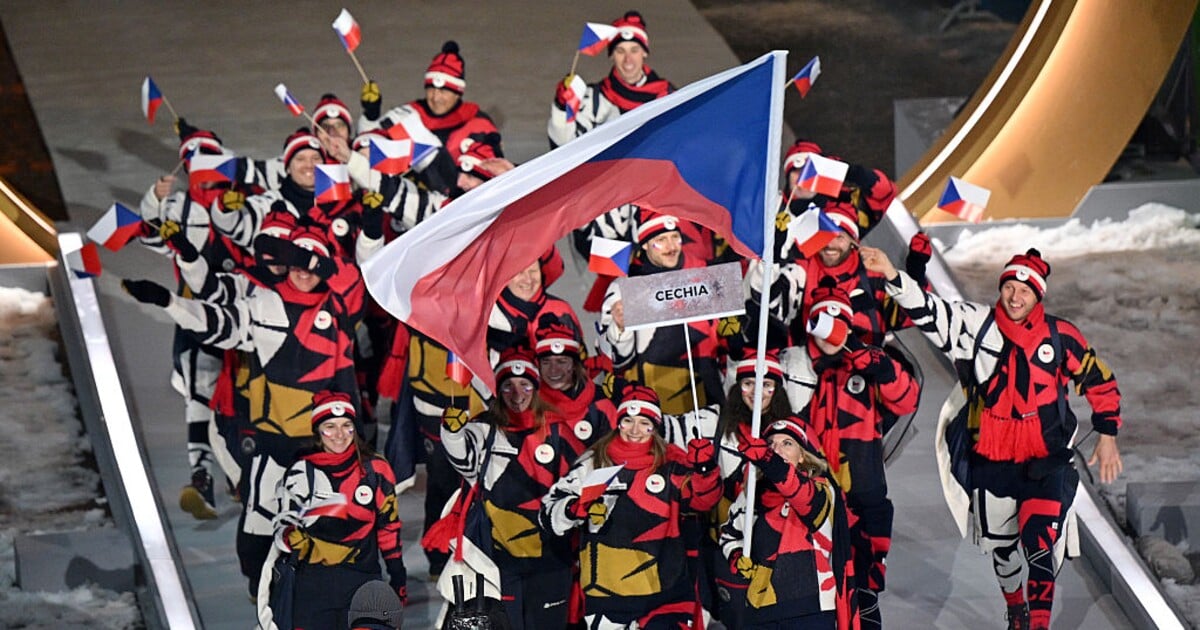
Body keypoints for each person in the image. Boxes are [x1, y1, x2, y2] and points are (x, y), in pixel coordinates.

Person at [859, 246, 1123, 630]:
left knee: (1039, 546)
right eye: (1010, 287)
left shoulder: (1060, 335)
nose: (1016, 296)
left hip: (1046, 459)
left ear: (1038, 295)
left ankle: (1037, 625)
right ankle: (1016, 606)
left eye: (1025, 289)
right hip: (992, 460)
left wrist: (1108, 432)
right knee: (1003, 551)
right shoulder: (977, 325)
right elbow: (932, 313)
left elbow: (1098, 378)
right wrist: (894, 276)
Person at [542, 383, 721, 629]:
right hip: (608, 597)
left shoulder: (672, 461)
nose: (635, 430)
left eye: (644, 423)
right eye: (628, 420)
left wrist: (706, 469)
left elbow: (704, 500)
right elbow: (548, 512)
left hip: (665, 593)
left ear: (655, 426)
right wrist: (575, 508)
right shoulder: (594, 461)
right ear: (618, 421)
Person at [800, 278, 920, 629]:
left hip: (863, 495)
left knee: (864, 595)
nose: (831, 333)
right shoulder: (798, 367)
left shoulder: (868, 365)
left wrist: (884, 370)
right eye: (825, 322)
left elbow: (908, 399)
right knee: (820, 592)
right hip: (811, 499)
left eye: (839, 324)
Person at [435, 348, 575, 629]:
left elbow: (577, 483)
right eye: (508, 386)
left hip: (551, 559)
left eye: (525, 385)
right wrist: (451, 432)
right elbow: (463, 460)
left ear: (536, 389)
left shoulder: (558, 431)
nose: (517, 393)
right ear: (498, 391)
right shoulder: (485, 429)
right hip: (501, 561)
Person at [266, 391, 406, 630]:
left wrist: (398, 576)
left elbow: (389, 528)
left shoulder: (376, 470)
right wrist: (291, 537)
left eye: (346, 425)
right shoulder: (301, 472)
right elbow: (281, 527)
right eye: (330, 426)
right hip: (313, 586)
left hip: (363, 582)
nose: (339, 435)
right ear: (318, 431)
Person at [721, 417, 858, 630]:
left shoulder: (822, 489)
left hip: (809, 609)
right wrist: (737, 557)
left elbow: (801, 495)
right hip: (760, 608)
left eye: (787, 443)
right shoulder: (752, 494)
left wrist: (769, 460)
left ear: (802, 456)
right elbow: (729, 534)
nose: (777, 449)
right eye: (771, 444)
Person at [361, 41, 503, 197]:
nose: (436, 97)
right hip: (408, 203)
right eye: (431, 89)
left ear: (458, 93)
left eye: (443, 91)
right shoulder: (408, 116)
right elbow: (367, 143)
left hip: (457, 205)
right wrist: (371, 114)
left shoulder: (478, 125)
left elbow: (495, 176)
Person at [548, 10, 673, 148]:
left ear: (644, 52)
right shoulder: (594, 99)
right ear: (611, 55)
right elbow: (565, 148)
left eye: (634, 50)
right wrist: (562, 106)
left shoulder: (668, 96)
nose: (628, 59)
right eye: (620, 51)